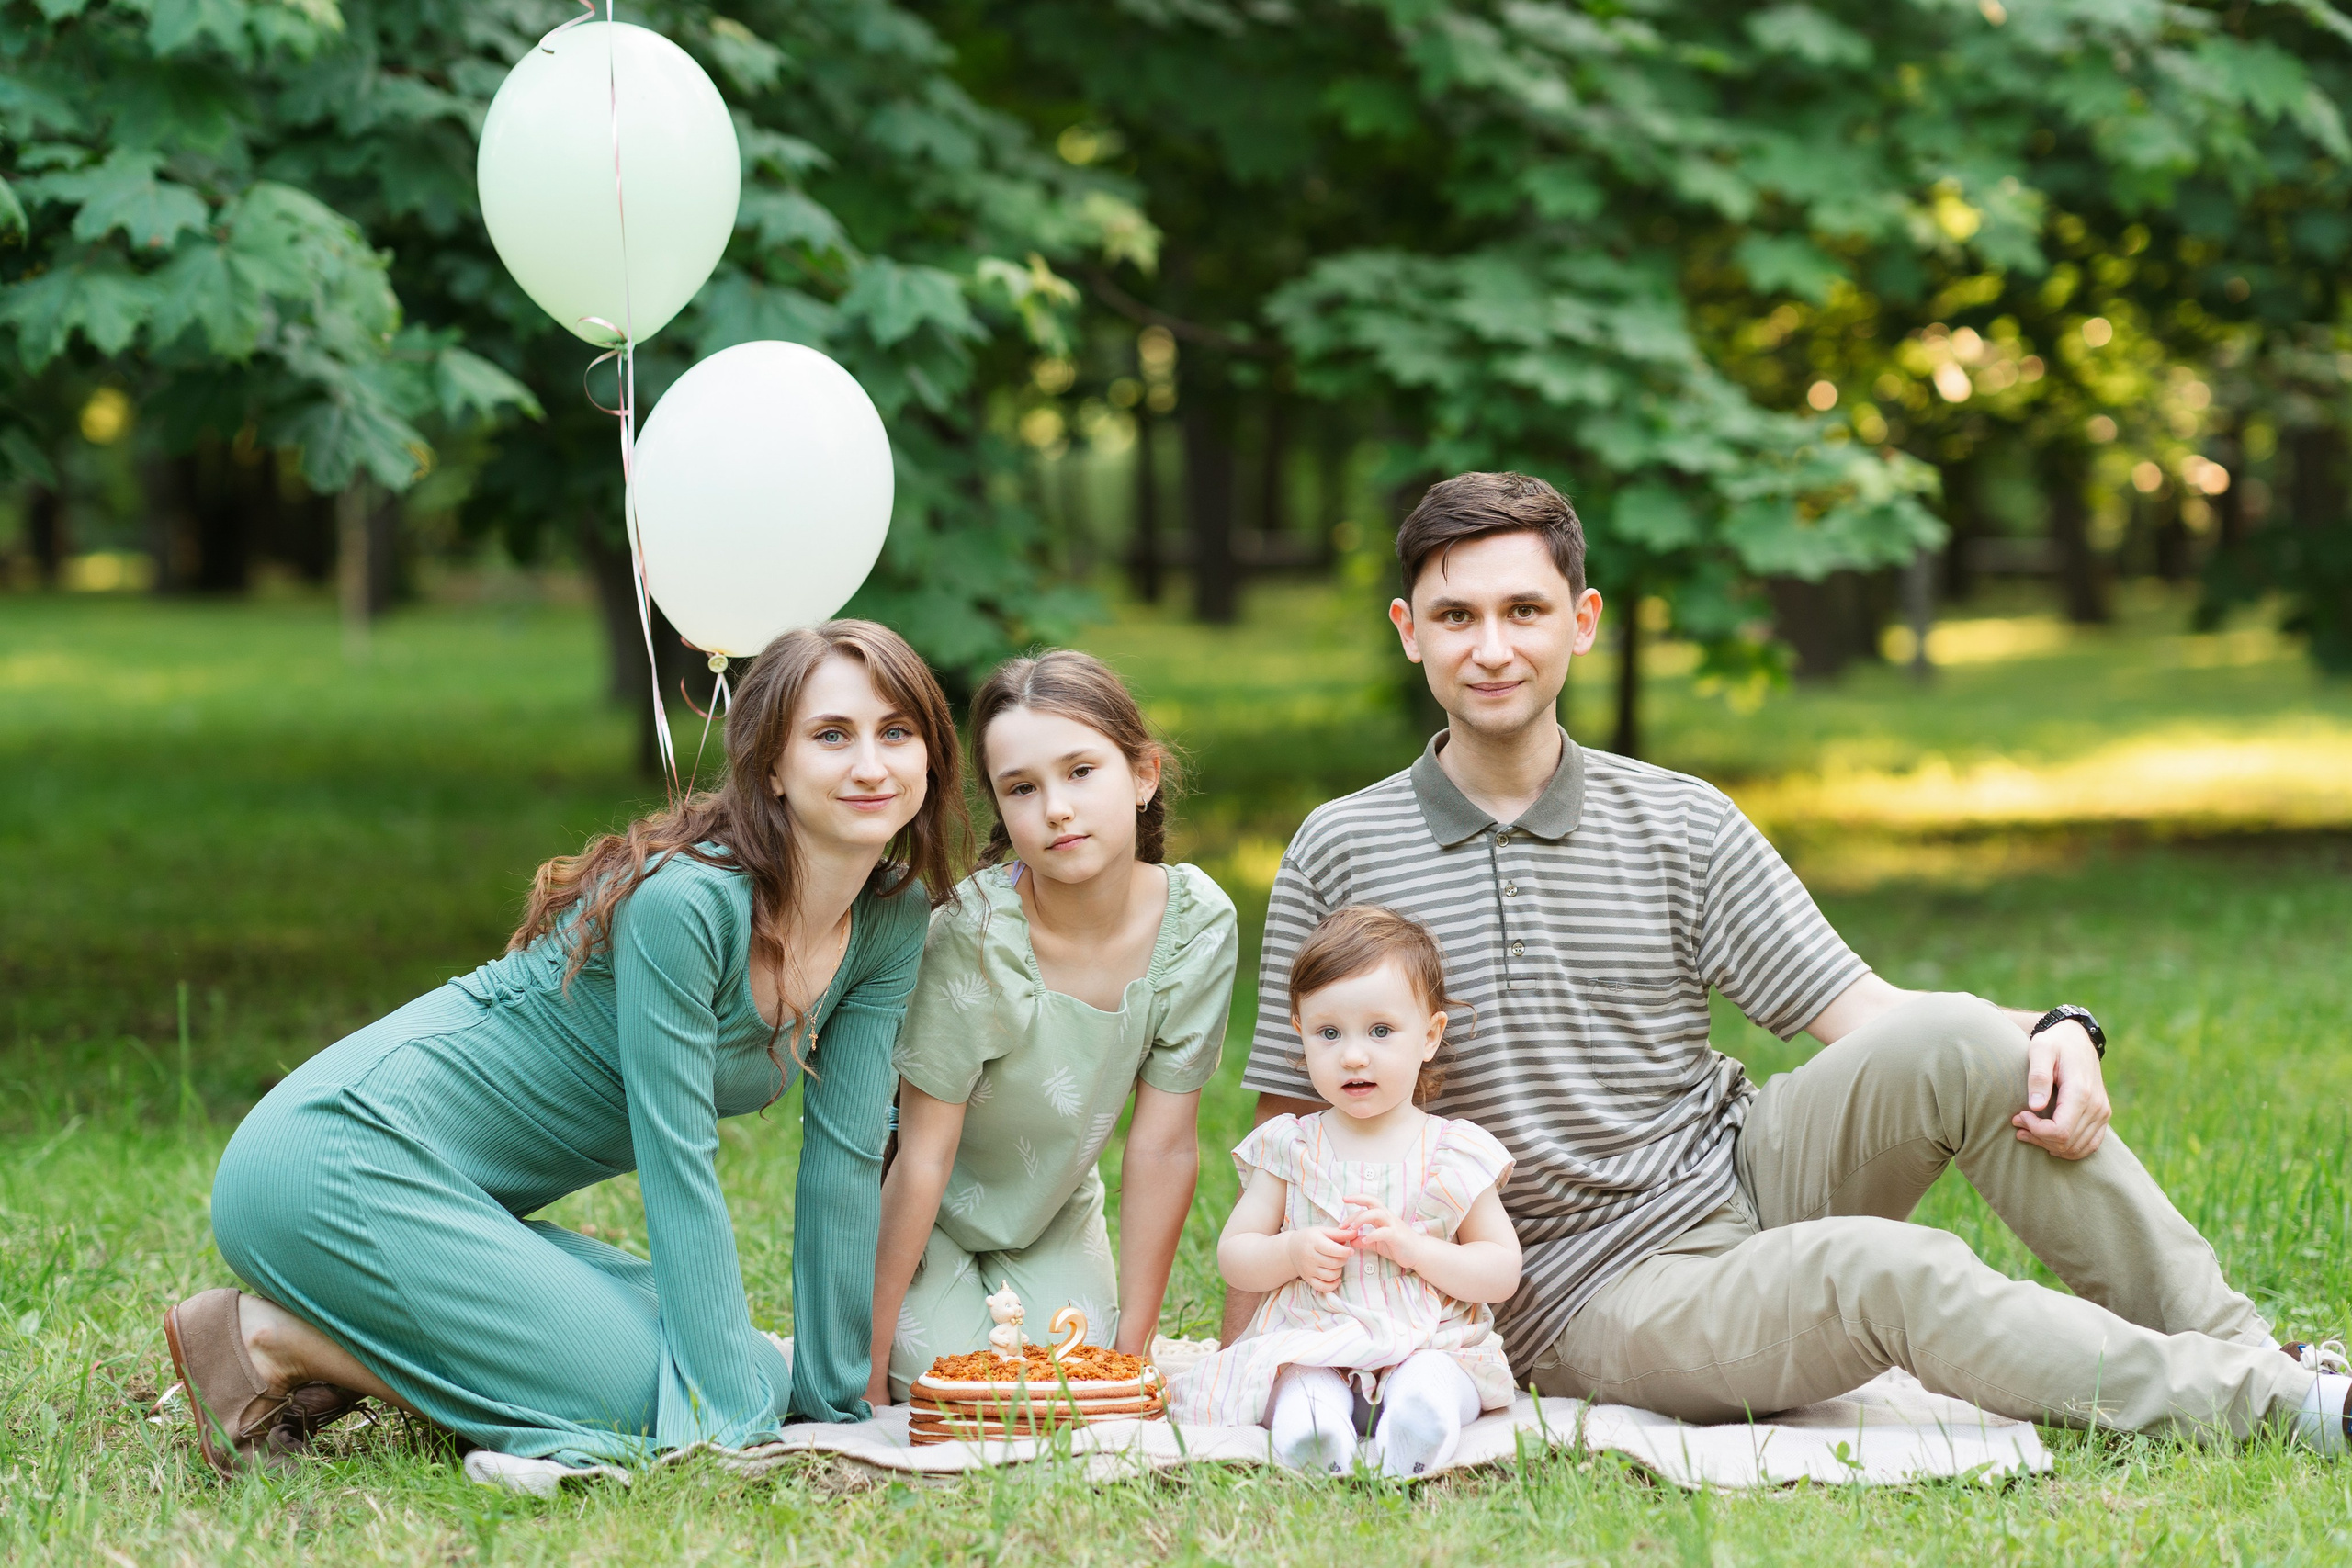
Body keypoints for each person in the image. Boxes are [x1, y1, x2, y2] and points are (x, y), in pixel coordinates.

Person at [1227, 471, 2351, 1454]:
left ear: (1582, 620)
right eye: (1455, 614)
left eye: (1523, 609)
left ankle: (2264, 1360)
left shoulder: (1680, 819)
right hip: (1573, 1286)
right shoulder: (1342, 844)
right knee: (1891, 1273)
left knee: (1964, 1038)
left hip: (1739, 1169)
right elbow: (1291, 1124)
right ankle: (2275, 1406)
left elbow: (1865, 1011)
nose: (1491, 646)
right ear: (1406, 629)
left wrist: (2056, 1029)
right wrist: (1252, 1371)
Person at [165, 621, 964, 1476]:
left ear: (930, 752)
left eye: (897, 731)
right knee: (657, 1393)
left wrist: (838, 1401)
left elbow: (841, 1162)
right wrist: (734, 1420)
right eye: (832, 735)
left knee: (761, 1367)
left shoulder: (890, 916)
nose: (872, 764)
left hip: (464, 1202)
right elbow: (677, 1159)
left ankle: (385, 1347)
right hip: (331, 1157)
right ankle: (268, 1342)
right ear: (771, 763)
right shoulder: (689, 903)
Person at [867, 649, 1238, 1405]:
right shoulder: (973, 937)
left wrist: (1132, 1354)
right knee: (947, 1382)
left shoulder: (1198, 924)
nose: (1056, 809)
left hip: (1052, 1213)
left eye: (1081, 772)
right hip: (931, 1212)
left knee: (1071, 1379)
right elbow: (923, 1156)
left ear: (1144, 774)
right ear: (1000, 809)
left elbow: (1164, 1143)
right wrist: (867, 1372)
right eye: (1022, 789)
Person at [1170, 905, 1521, 1478]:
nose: (1353, 1054)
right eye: (1329, 1033)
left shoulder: (1453, 1151)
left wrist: (1415, 1249)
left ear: (1430, 1036)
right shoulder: (1290, 1147)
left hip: (1429, 1341)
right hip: (1317, 1342)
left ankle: (1417, 1423)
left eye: (1381, 1031)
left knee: (1438, 1377)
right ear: (1301, 1033)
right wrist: (1290, 1252)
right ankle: (1314, 1435)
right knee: (1298, 1382)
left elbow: (1501, 1269)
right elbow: (1236, 1256)